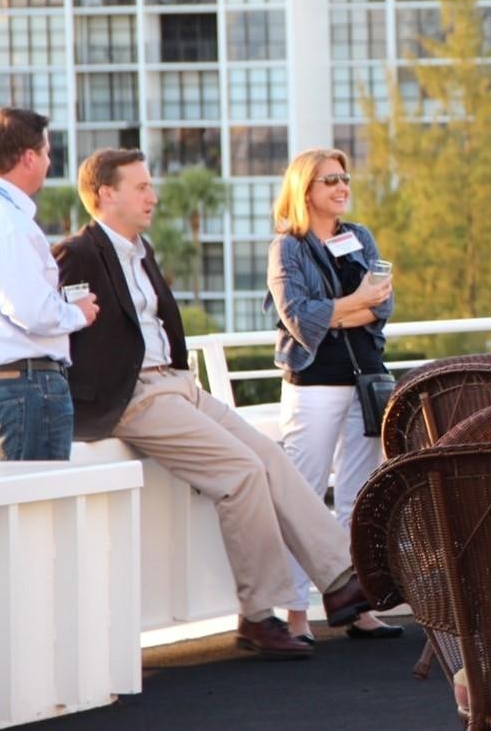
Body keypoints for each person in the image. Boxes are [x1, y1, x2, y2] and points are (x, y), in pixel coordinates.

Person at [53, 148, 374, 660]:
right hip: (133, 396)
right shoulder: (78, 253)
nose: (153, 196)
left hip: (177, 383)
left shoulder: (140, 249)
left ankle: (340, 580)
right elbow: (52, 326)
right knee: (243, 473)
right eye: (141, 187)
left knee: (268, 456)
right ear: (105, 195)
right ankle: (257, 615)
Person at [265, 148, 400, 643]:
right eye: (330, 181)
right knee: (303, 496)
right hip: (315, 383)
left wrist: (343, 311)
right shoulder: (289, 247)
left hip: (365, 380)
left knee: (359, 498)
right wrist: (355, 303)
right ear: (306, 191)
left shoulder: (359, 236)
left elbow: (383, 308)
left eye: (344, 179)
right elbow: (298, 319)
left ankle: (359, 608)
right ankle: (297, 615)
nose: (342, 187)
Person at [0, 108, 100, 460]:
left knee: (8, 510)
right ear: (28, 157)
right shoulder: (7, 220)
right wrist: (77, 314)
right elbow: (31, 310)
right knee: (40, 509)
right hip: (22, 388)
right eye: (46, 153)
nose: (48, 162)